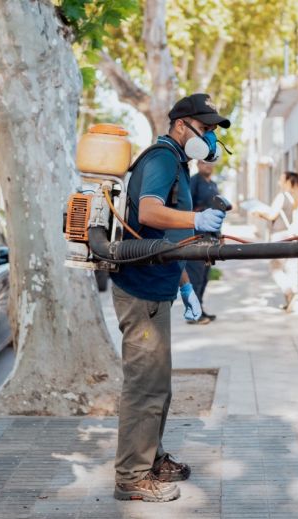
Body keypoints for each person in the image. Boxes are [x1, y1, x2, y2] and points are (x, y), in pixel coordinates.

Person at [109, 93, 230, 502]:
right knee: (145, 387)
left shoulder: (176, 161)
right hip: (139, 290)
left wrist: (183, 285)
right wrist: (196, 218)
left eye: (213, 130)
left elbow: (165, 239)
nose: (210, 137)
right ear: (181, 125)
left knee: (158, 385)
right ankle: (131, 477)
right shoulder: (162, 159)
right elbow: (148, 214)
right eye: (206, 128)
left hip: (157, 286)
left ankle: (152, 457)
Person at [255, 171, 298, 311]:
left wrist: (260, 213)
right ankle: (290, 300)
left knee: (275, 268)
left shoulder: (282, 196)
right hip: (295, 237)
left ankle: (289, 292)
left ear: (288, 182)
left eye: (281, 180)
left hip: (280, 236)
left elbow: (272, 214)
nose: (279, 183)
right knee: (292, 269)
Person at [185, 160, 220, 325]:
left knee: (205, 276)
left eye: (211, 163)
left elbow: (216, 211)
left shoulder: (213, 185)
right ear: (198, 164)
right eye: (205, 163)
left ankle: (200, 309)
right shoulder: (194, 182)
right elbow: (186, 207)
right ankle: (193, 313)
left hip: (210, 236)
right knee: (195, 275)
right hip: (196, 235)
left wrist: (219, 235)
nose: (208, 166)